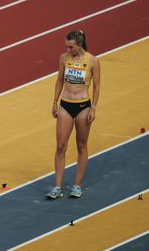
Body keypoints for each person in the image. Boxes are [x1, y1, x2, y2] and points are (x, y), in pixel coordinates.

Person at [46, 30, 100, 199]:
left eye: (71, 47)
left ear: (79, 44)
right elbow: (60, 79)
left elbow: (97, 87)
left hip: (83, 106)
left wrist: (93, 108)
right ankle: (57, 187)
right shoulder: (63, 58)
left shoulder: (92, 61)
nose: (68, 50)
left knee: (81, 145)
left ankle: (77, 185)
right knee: (61, 145)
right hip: (65, 105)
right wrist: (54, 101)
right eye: (66, 47)